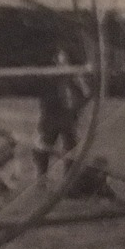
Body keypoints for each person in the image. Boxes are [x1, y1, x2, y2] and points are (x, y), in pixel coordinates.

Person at [34, 45, 87, 178]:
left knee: (70, 149)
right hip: (52, 117)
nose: (64, 63)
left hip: (68, 118)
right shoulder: (51, 76)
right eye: (61, 59)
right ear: (56, 60)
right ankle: (42, 176)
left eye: (66, 60)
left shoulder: (74, 77)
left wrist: (79, 81)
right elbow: (45, 98)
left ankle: (68, 178)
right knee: (44, 147)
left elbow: (85, 95)